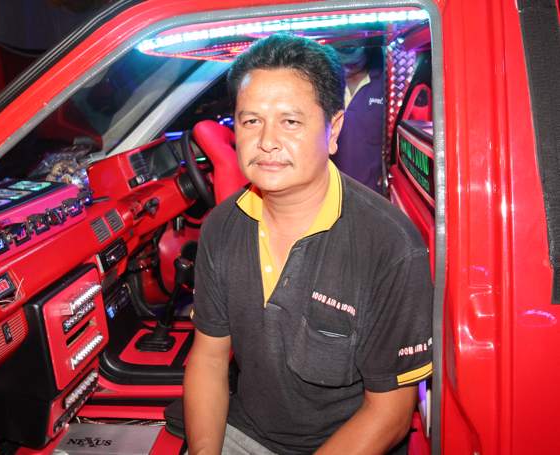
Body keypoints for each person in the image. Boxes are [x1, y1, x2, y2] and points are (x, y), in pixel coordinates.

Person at [183, 33, 433, 455]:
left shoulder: (389, 245)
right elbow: (208, 359)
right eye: (251, 121)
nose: (267, 141)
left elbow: (389, 414)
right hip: (247, 432)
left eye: (290, 122)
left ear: (334, 130)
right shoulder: (222, 227)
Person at [333, 42, 385, 193]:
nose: (347, 68)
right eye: (342, 62)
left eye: (353, 64)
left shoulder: (386, 83)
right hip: (329, 188)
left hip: (371, 191)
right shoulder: (324, 83)